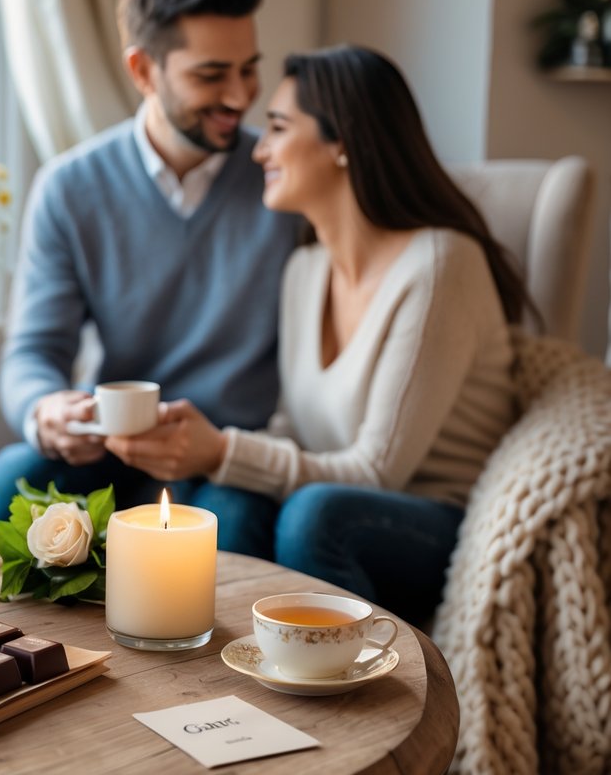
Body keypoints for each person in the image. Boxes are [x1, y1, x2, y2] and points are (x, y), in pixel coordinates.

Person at [106, 45, 525, 625]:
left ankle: (341, 704)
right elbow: (291, 428)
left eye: (278, 128)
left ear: (342, 142)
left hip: (434, 524)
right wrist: (213, 460)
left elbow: (378, 472)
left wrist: (224, 449)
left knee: (314, 514)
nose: (259, 149)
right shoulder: (305, 271)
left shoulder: (439, 265)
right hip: (332, 499)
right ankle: (208, 684)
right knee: (226, 503)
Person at [0, 0, 301, 517]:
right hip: (113, 447)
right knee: (10, 477)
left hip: (224, 457)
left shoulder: (284, 176)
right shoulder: (70, 187)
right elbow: (33, 351)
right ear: (142, 71)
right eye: (211, 75)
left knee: (237, 522)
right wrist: (45, 409)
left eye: (249, 68)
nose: (239, 95)